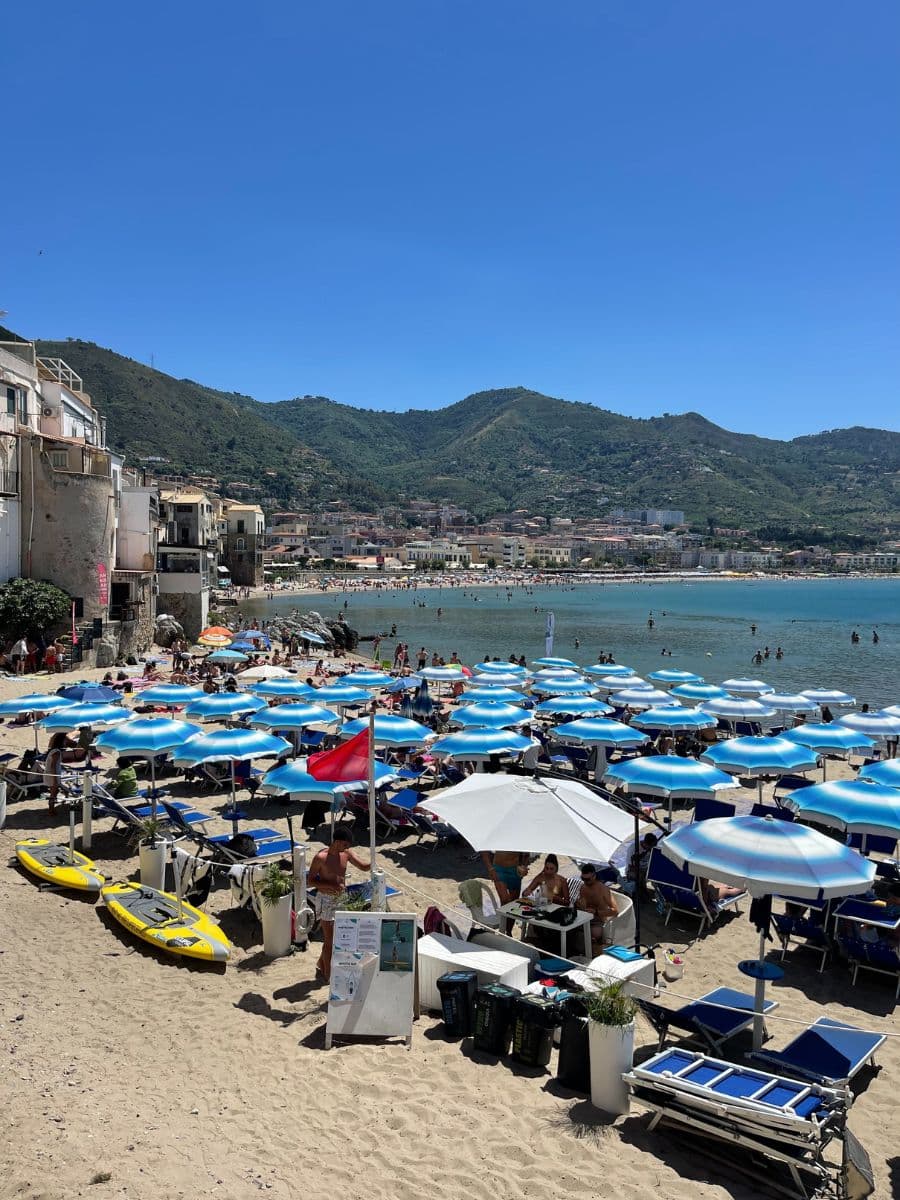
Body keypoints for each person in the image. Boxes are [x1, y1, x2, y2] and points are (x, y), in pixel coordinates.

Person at [309, 826, 371, 980]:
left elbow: (362, 867)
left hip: (340, 899)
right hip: (326, 899)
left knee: (336, 937)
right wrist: (330, 886)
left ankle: (322, 964)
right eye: (345, 844)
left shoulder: (346, 854)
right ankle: (328, 975)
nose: (347, 848)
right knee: (330, 940)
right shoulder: (320, 858)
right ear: (336, 842)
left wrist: (373, 863)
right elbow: (310, 880)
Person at [575, 863, 619, 950]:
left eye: (587, 879)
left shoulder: (603, 889)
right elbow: (581, 906)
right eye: (583, 878)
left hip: (598, 921)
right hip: (584, 918)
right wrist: (578, 905)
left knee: (593, 933)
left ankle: (593, 951)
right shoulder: (583, 887)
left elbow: (615, 911)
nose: (585, 881)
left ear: (594, 876)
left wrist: (596, 912)